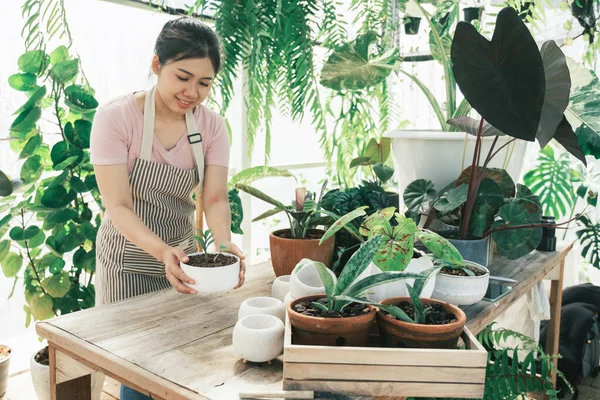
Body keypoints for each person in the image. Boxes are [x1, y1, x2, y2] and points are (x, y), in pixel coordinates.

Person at [90, 17, 246, 399]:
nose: (192, 91)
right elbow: (119, 206)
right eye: (183, 76)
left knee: (183, 364)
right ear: (157, 64)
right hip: (126, 263)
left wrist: (225, 245)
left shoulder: (211, 127)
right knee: (137, 371)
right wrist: (161, 252)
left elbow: (214, 198)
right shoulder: (115, 119)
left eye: (205, 83)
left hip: (184, 263)